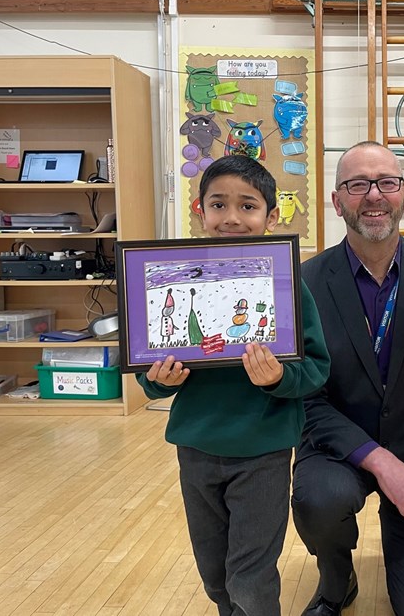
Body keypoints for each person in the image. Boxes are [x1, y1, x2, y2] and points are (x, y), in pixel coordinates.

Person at [137, 155, 331, 616]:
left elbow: (317, 368)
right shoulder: (172, 278)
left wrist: (280, 378)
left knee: (250, 575)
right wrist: (159, 381)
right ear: (199, 210)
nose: (232, 218)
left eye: (248, 206)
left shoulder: (288, 283)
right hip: (196, 446)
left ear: (271, 215)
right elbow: (149, 375)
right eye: (219, 204)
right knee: (214, 572)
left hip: (262, 450)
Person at [292, 141, 404, 616]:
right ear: (336, 200)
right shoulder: (303, 282)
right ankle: (336, 576)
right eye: (356, 184)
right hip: (339, 449)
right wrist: (383, 464)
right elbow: (307, 398)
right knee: (319, 500)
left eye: (387, 182)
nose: (373, 195)